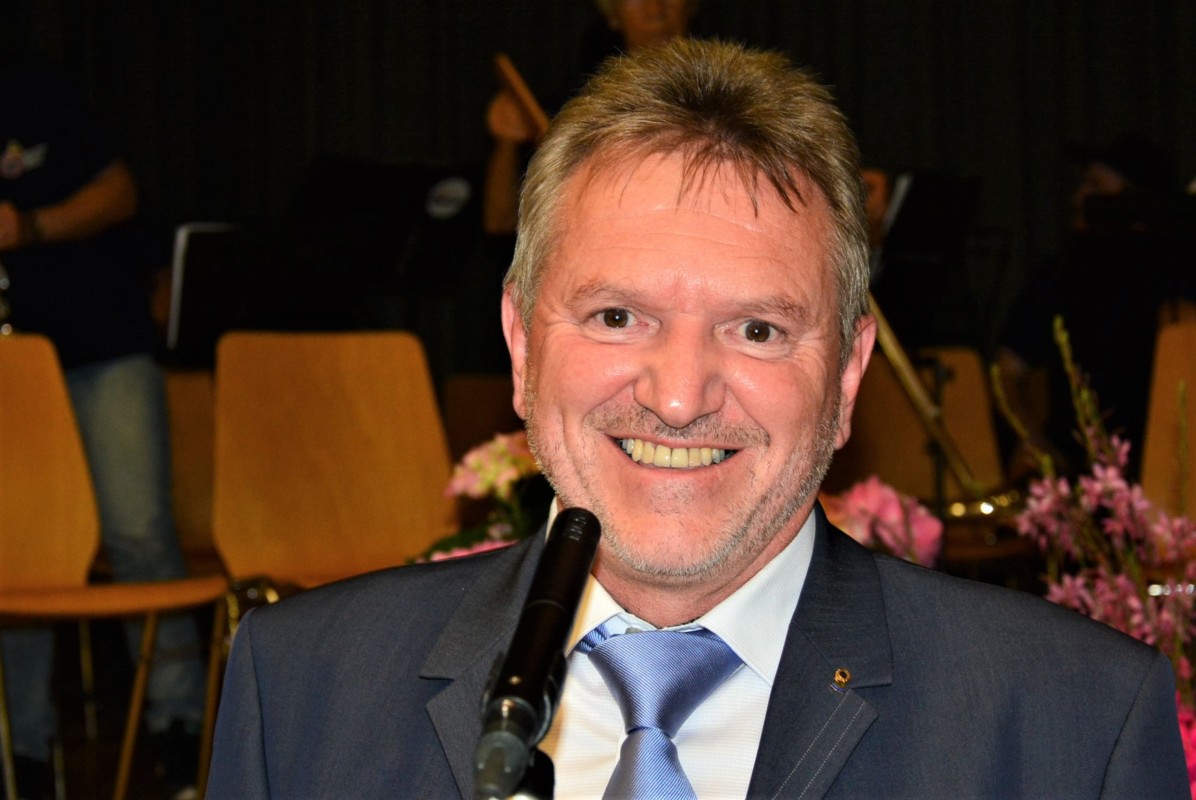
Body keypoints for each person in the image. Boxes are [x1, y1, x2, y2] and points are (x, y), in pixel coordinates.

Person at [207, 39, 1189, 798]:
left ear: (848, 375)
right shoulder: (298, 689)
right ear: (519, 344)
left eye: (757, 328)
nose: (678, 397)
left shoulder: (1075, 725)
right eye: (616, 316)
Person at [0, 55, 207, 799]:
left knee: (140, 532)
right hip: (11, 369)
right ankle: (23, 751)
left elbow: (120, 192)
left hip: (101, 344)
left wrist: (27, 226)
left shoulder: (32, 88)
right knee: (19, 558)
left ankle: (180, 727)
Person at [482, 0, 698, 237]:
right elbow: (501, 220)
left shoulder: (721, 94)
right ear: (612, 14)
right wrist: (507, 140)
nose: (655, 10)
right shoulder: (577, 106)